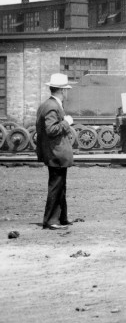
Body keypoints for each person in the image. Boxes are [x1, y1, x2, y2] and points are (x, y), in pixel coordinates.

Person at [35, 73, 76, 230]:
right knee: (56, 186)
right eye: (66, 90)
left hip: (53, 152)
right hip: (56, 153)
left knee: (60, 186)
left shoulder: (46, 104)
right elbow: (51, 130)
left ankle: (61, 218)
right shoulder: (53, 106)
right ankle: (51, 220)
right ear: (62, 91)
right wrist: (66, 122)